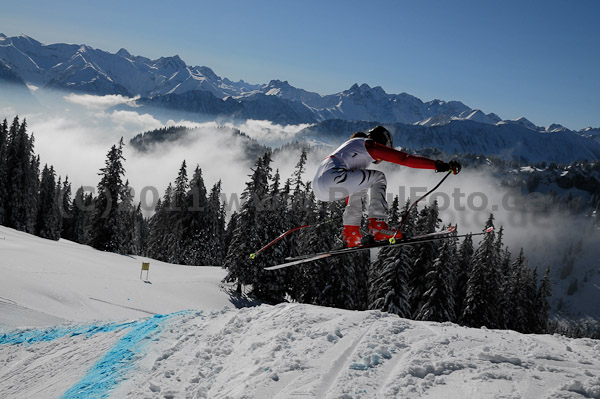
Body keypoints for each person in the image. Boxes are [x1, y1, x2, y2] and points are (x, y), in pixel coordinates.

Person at [312, 126, 460, 247]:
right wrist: (439, 165)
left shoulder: (352, 148)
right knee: (379, 177)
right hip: (334, 177)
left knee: (361, 184)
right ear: (382, 143)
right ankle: (378, 226)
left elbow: (352, 193)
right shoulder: (368, 145)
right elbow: (404, 159)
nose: (381, 159)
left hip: (320, 187)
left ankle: (351, 234)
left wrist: (351, 215)